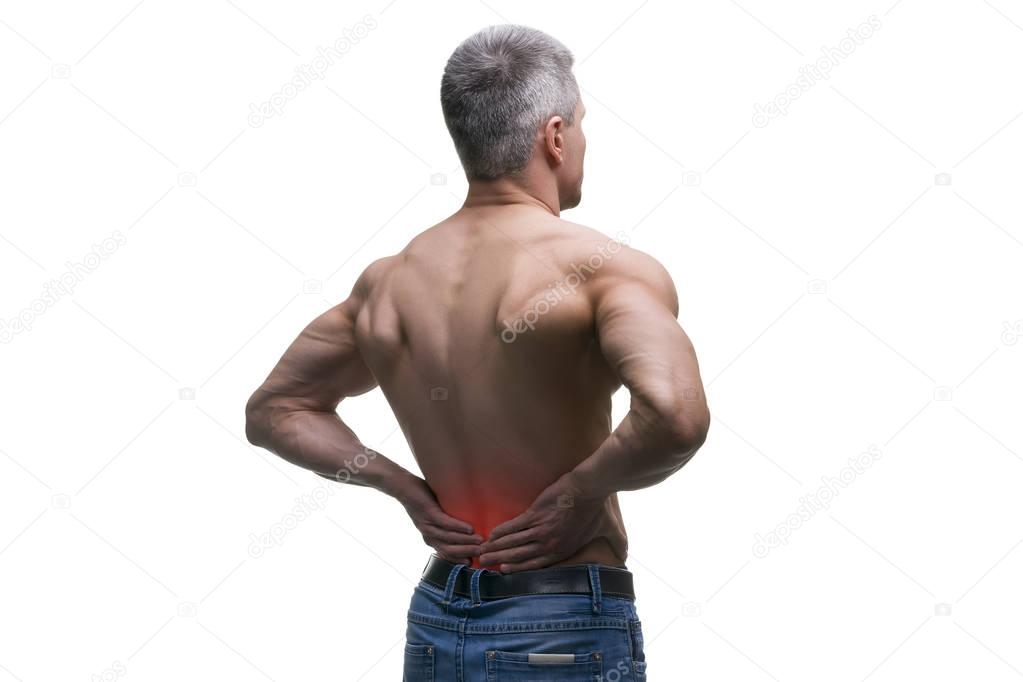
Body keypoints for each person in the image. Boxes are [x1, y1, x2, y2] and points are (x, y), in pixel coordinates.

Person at [244, 23, 710, 680]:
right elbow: (675, 416)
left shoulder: (390, 280)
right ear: (553, 137)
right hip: (559, 623)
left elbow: (276, 410)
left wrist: (402, 488)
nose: (579, 141)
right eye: (578, 125)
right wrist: (581, 491)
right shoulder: (604, 269)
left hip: (439, 615)